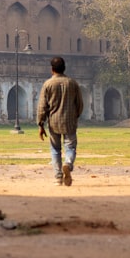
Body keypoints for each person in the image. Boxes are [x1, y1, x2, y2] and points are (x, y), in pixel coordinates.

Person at [36, 56, 84, 186]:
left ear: (52, 69)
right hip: (69, 121)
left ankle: (58, 177)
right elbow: (79, 104)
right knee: (70, 147)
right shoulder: (72, 83)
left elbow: (42, 106)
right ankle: (68, 163)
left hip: (54, 121)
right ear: (64, 68)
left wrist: (41, 124)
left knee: (55, 149)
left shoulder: (48, 84)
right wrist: (75, 116)